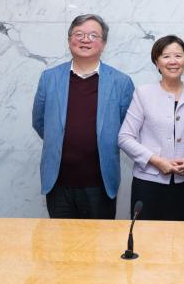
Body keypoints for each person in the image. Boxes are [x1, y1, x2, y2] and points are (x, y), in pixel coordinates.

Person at [32, 14, 134, 219]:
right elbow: (39, 121)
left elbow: (127, 128)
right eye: (79, 34)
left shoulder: (121, 82)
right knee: (61, 246)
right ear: (69, 39)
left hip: (100, 184)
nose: (85, 40)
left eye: (93, 35)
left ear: (103, 43)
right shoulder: (49, 78)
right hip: (58, 184)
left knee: (98, 247)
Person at [118, 35, 184, 221]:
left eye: (178, 56)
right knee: (146, 241)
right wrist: (155, 160)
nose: (173, 61)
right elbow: (124, 137)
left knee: (182, 241)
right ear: (156, 62)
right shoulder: (143, 93)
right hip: (148, 182)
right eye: (165, 56)